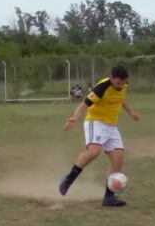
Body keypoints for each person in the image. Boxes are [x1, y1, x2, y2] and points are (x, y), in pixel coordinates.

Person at [58, 65, 141, 206]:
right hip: (95, 122)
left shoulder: (123, 85)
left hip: (111, 125)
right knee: (94, 152)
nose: (120, 86)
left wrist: (131, 112)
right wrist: (75, 118)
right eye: (117, 83)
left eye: (123, 83)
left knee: (118, 157)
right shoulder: (101, 88)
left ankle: (109, 197)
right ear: (112, 78)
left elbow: (120, 99)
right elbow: (83, 105)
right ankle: (68, 180)